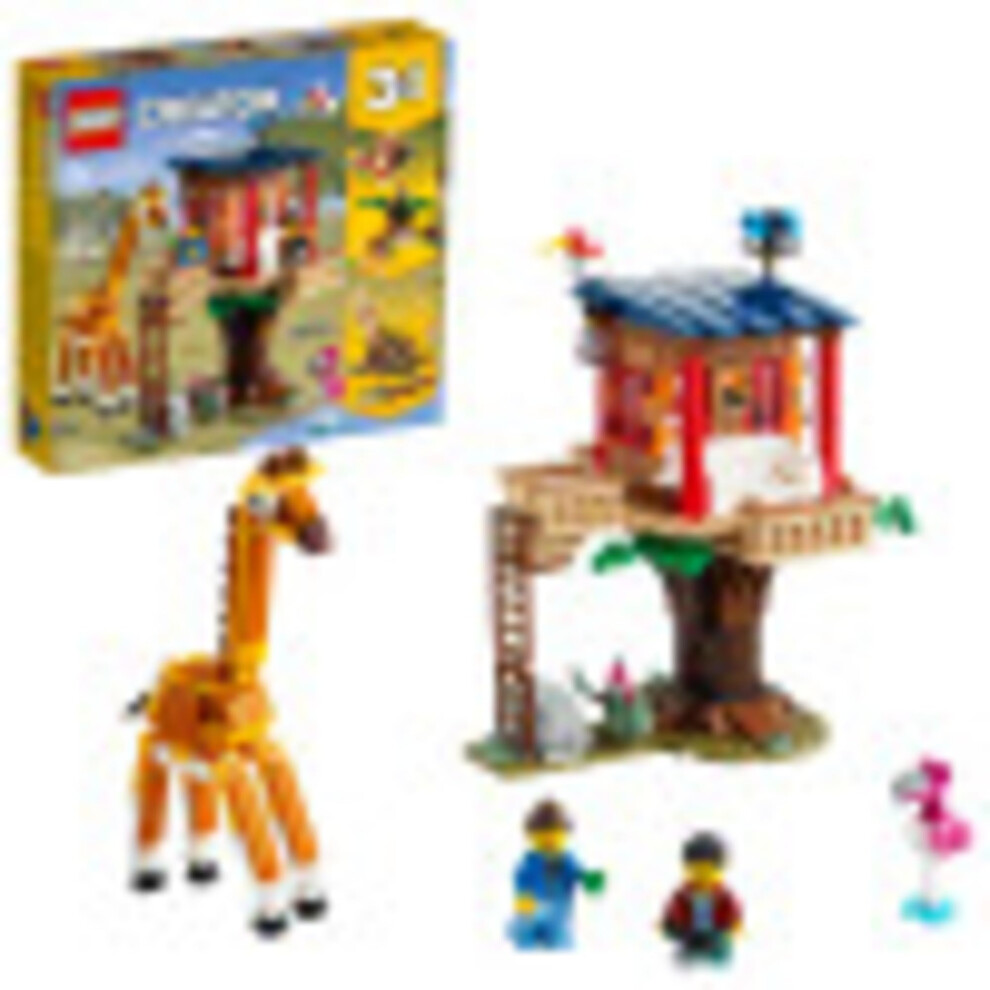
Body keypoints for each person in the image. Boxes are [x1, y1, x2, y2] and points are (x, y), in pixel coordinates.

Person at [507, 800, 605, 949]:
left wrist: (589, 880)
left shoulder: (568, 860)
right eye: (543, 836)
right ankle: (520, 932)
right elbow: (522, 878)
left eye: (555, 835)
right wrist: (524, 897)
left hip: (559, 912)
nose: (550, 842)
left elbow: (579, 874)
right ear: (532, 836)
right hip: (533, 909)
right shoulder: (530, 861)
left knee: (561, 939)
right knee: (524, 929)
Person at [661, 832, 743, 965]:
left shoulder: (722, 894)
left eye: (708, 869)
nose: (702, 874)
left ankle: (715, 953)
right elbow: (674, 908)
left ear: (721, 868)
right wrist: (669, 923)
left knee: (719, 953)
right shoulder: (684, 893)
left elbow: (731, 908)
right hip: (689, 932)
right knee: (684, 957)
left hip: (715, 932)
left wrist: (734, 924)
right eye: (696, 869)